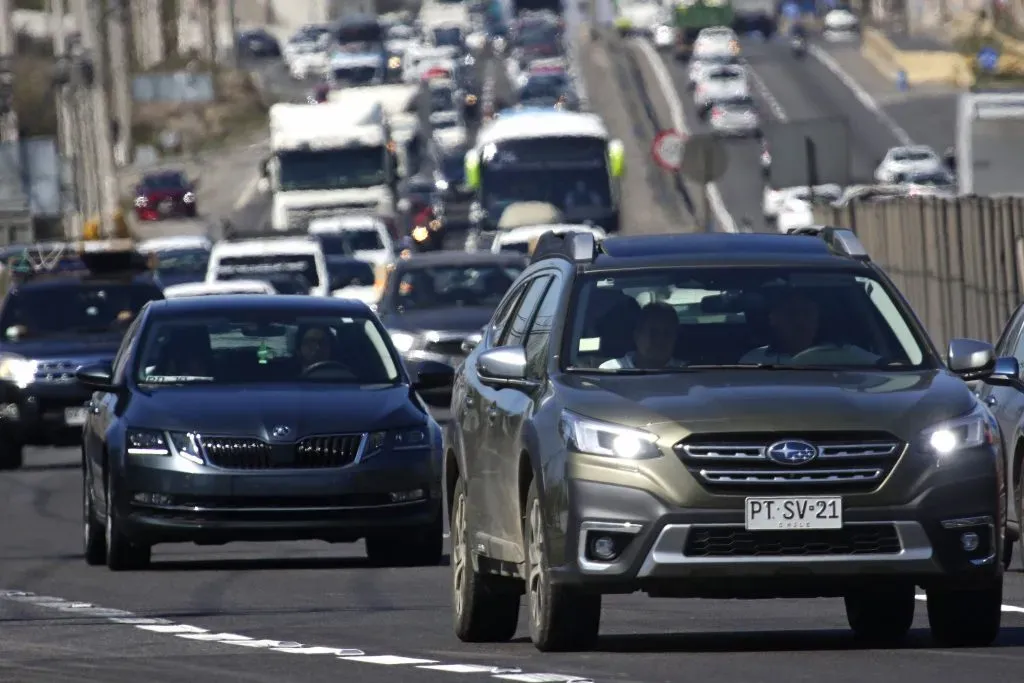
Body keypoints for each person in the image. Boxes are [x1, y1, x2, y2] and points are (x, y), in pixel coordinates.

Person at [739, 289, 879, 364]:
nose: (800, 321)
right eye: (791, 313)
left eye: (807, 313)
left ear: (817, 317)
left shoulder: (844, 354)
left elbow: (887, 368)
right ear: (773, 319)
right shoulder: (754, 360)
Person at [600, 301, 684, 370]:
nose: (660, 340)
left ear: (675, 338)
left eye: (667, 334)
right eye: (653, 333)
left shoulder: (688, 372)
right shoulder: (610, 370)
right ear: (637, 336)